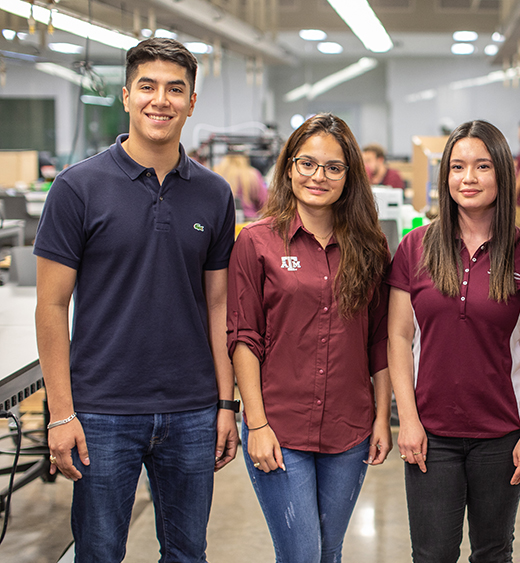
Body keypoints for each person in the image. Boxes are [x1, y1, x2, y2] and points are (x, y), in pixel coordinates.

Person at [34, 37, 238, 561]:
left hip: (192, 410)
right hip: (102, 410)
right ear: (126, 96)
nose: (160, 100)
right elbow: (52, 306)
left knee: (188, 552)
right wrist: (61, 413)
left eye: (176, 89)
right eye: (147, 86)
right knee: (100, 553)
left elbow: (219, 306)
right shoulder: (77, 188)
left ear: (192, 102)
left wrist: (224, 403)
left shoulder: (215, 194)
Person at [386, 120, 520, 562]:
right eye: (458, 167)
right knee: (431, 554)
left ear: (502, 173)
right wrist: (407, 419)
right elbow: (398, 335)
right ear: (445, 177)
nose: (469, 178)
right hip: (430, 434)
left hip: (501, 434)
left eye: (482, 166)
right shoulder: (415, 248)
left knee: (493, 551)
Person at [227, 113, 392, 562]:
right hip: (280, 427)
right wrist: (256, 425)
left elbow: (379, 340)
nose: (318, 176)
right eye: (307, 163)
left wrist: (381, 419)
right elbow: (244, 338)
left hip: (350, 428)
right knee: (301, 554)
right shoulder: (257, 242)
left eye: (333, 167)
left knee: (329, 553)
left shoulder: (371, 246)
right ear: (289, 167)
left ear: (349, 176)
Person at [214, 153, 269, 219]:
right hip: (249, 220)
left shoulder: (216, 173)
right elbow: (265, 202)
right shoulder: (253, 175)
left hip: (223, 220)